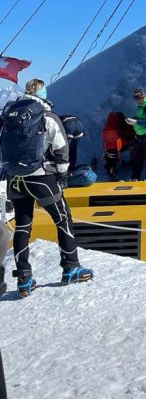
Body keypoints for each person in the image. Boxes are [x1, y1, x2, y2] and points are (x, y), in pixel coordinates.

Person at [0, 83, 93, 297]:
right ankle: (71, 268)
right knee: (63, 219)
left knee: (23, 225)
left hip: (15, 178)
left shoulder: (7, 116)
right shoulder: (46, 115)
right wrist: (62, 175)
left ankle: (24, 279)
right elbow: (61, 146)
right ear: (43, 95)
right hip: (42, 178)